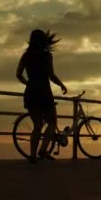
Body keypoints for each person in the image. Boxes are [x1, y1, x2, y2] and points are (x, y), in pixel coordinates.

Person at [16, 29, 67, 164]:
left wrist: (28, 83)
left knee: (37, 126)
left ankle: (33, 156)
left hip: (31, 92)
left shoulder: (26, 55)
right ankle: (43, 149)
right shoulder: (47, 55)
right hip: (44, 92)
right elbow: (51, 75)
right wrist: (61, 85)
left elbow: (18, 74)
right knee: (52, 123)